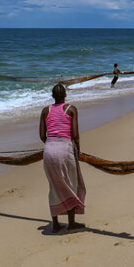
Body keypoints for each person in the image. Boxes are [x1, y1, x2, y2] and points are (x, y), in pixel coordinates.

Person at [39, 83, 85, 233]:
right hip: (65, 149)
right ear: (65, 95)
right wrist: (78, 149)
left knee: (54, 186)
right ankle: (71, 223)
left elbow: (42, 135)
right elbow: (75, 134)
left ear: (52, 96)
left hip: (49, 150)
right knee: (70, 183)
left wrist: (51, 145)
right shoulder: (71, 109)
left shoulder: (46, 110)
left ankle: (56, 224)